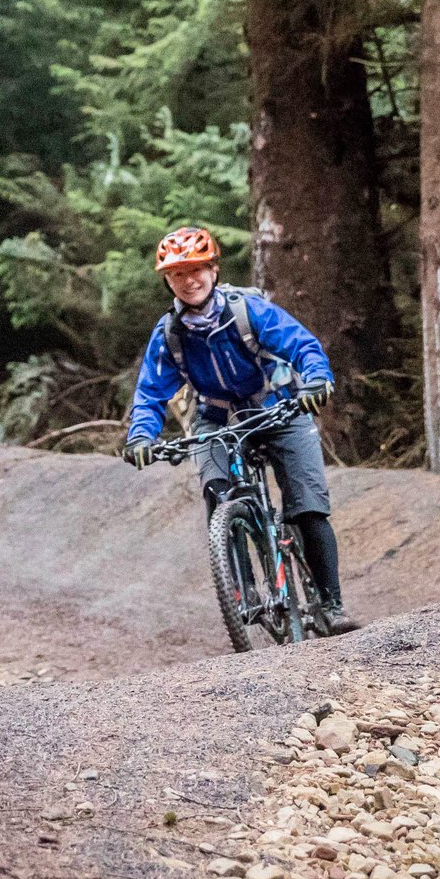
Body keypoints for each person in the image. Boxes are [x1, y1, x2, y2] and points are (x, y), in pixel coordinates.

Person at [120, 225, 359, 634]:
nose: (189, 280)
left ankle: (331, 604)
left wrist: (316, 380)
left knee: (307, 507)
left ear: (214, 270)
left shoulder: (248, 311)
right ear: (167, 281)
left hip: (277, 409)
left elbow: (302, 345)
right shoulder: (168, 334)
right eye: (178, 274)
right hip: (216, 419)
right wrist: (141, 435)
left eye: (196, 269)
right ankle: (242, 593)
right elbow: (150, 394)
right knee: (217, 493)